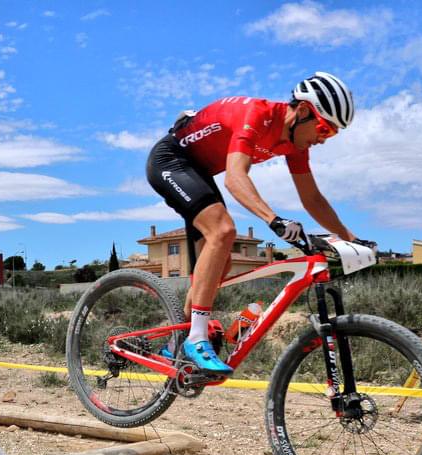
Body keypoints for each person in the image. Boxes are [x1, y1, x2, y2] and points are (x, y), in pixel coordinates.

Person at [145, 71, 371, 375]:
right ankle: (196, 339)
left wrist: (351, 238)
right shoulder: (258, 115)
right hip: (171, 160)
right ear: (302, 111)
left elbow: (312, 198)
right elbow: (236, 178)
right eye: (324, 128)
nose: (323, 138)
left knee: (217, 266)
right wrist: (273, 220)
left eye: (332, 134)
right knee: (223, 231)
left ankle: (173, 344)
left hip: (198, 172)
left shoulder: (296, 145)